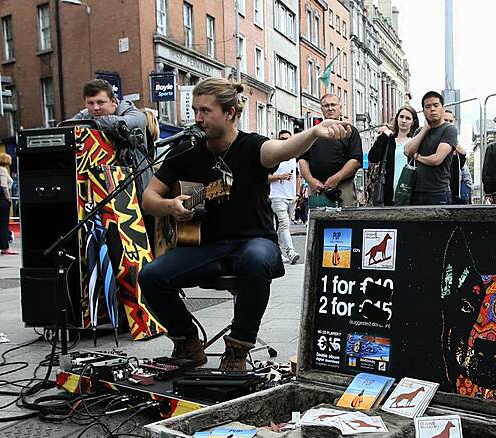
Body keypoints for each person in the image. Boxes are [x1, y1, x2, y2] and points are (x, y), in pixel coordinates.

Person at [138, 77, 352, 370]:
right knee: (150, 276)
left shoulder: (251, 147)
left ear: (229, 113)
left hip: (255, 241)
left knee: (255, 258)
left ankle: (238, 348)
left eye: (205, 111)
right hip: (206, 247)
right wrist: (169, 206)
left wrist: (314, 132)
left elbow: (283, 150)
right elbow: (149, 198)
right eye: (194, 110)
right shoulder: (186, 150)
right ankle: (187, 341)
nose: (198, 118)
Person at [298, 94, 363, 208]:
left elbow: (356, 160)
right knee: (317, 222)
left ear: (340, 107)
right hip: (317, 187)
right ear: (321, 109)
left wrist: (336, 178)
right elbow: (303, 159)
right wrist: (311, 181)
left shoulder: (350, 131)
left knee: (345, 220)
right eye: (326, 105)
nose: (330, 108)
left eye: (333, 105)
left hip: (343, 186)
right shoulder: (313, 132)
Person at [403, 91, 460, 205]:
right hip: (416, 190)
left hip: (439, 192)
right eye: (428, 107)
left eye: (436, 105)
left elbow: (436, 159)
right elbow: (407, 151)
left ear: (442, 108)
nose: (432, 109)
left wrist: (417, 157)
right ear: (423, 111)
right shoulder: (420, 131)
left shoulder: (449, 130)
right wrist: (425, 129)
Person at [367, 106, 419, 206]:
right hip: (388, 193)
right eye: (401, 117)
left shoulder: (415, 141)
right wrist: (384, 135)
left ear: (413, 122)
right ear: (397, 118)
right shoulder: (388, 140)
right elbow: (373, 157)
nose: (404, 121)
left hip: (409, 192)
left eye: (408, 118)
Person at [268, 130, 301, 265]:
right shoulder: (273, 157)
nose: (284, 141)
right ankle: (291, 252)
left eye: (287, 139)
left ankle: (278, 253)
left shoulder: (293, 157)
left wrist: (298, 193)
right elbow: (264, 177)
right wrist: (279, 177)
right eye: (281, 138)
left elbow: (298, 176)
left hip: (291, 197)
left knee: (281, 227)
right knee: (284, 224)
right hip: (276, 196)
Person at [0, 153, 17, 255]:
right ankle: (5, 247)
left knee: (0, 224)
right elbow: (4, 185)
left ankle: (3, 246)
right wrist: (8, 197)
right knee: (4, 224)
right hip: (2, 200)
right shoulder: (3, 170)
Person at [443, 109, 469, 204]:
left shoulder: (457, 148)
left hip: (454, 193)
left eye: (451, 121)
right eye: (445, 120)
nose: (448, 123)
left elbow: (461, 159)